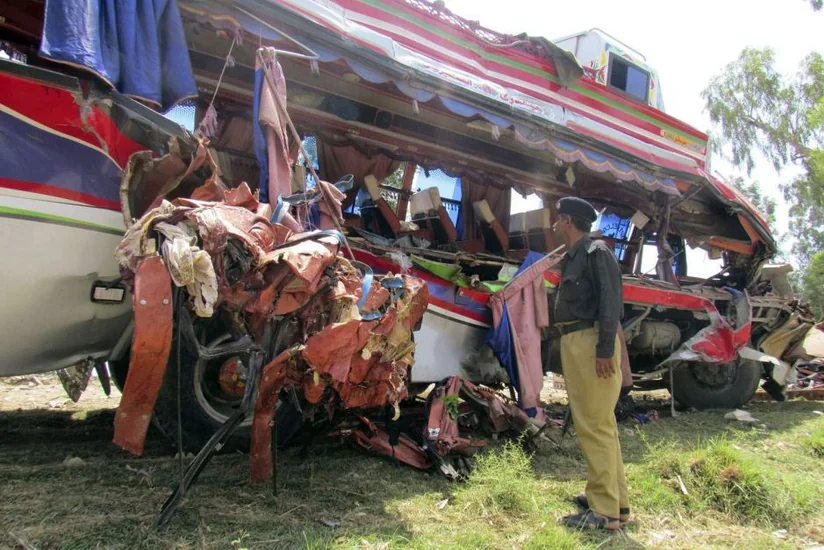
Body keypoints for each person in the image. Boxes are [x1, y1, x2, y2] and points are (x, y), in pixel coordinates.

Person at [552, 197, 629, 532]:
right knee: (602, 424)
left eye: (557, 219)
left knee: (593, 426)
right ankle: (616, 503)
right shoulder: (575, 256)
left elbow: (611, 302)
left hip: (590, 342)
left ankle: (602, 512)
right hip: (578, 341)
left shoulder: (596, 253)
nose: (553, 224)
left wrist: (602, 351)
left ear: (568, 221)